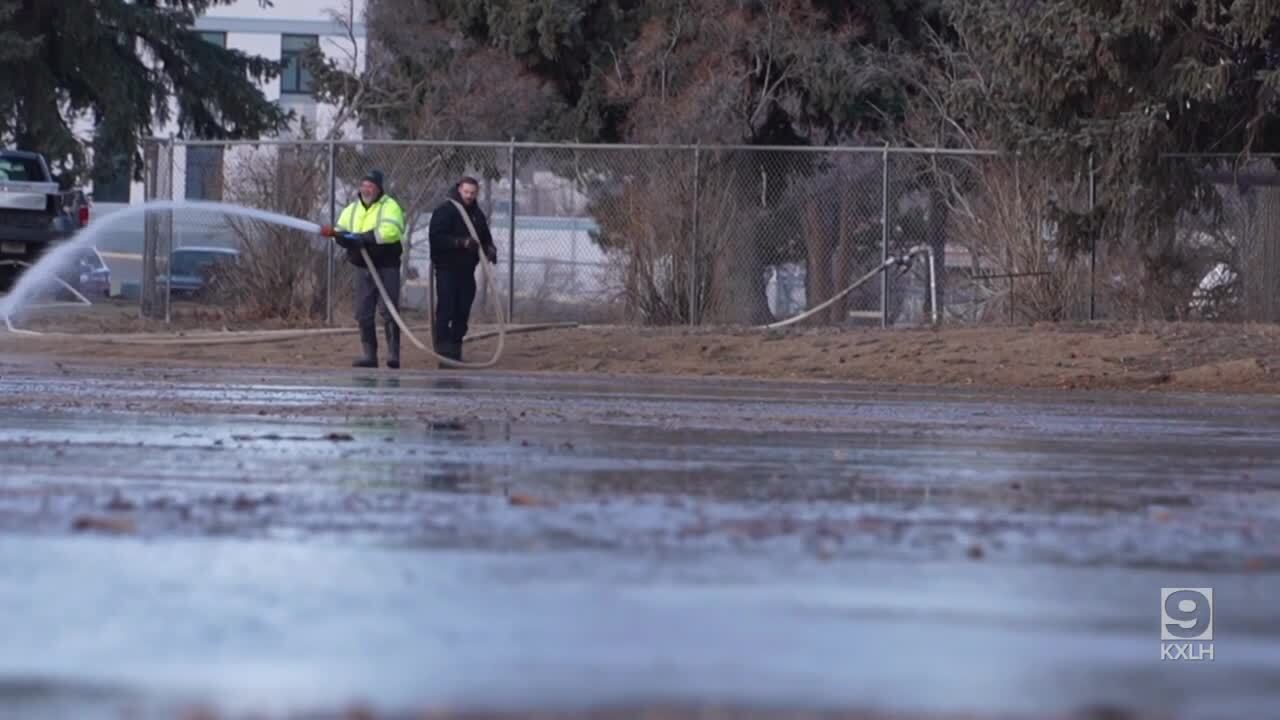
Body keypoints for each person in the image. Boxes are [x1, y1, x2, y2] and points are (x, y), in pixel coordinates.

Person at [320, 169, 407, 369]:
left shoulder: (390, 206)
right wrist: (341, 238)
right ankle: (369, 355)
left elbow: (391, 231)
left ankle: (393, 355)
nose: (367, 189)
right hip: (361, 266)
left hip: (386, 265)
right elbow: (342, 231)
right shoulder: (352, 209)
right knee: (363, 312)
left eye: (371, 186)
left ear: (378, 188)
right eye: (364, 185)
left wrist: (364, 238)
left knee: (389, 309)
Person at [427, 176, 497, 365]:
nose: (469, 196)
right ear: (459, 189)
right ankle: (443, 352)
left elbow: (484, 237)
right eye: (466, 192)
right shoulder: (445, 211)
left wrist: (490, 249)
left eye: (473, 193)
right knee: (446, 310)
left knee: (462, 310)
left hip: (467, 271)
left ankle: (455, 349)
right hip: (447, 269)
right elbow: (436, 238)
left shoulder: (477, 214)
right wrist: (460, 242)